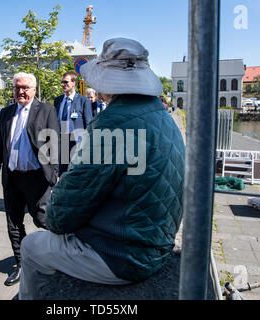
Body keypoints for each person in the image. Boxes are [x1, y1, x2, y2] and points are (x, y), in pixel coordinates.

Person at [17, 38, 186, 299]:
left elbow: (62, 215)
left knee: (31, 246)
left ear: (109, 83)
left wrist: (54, 215)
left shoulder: (113, 122)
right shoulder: (163, 115)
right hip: (159, 246)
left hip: (123, 258)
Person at [0, 72, 59, 287]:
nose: (21, 91)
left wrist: (55, 175)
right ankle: (20, 264)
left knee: (42, 220)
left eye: (26, 87)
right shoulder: (6, 113)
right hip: (12, 178)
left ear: (34, 89)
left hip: (37, 178)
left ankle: (60, 257)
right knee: (13, 223)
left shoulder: (46, 111)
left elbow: (54, 145)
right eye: (18, 87)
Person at [53, 72, 93, 176]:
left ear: (73, 83)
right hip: (62, 140)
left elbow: (88, 123)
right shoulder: (58, 100)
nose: (62, 84)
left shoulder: (83, 101)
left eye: (65, 82)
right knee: (62, 172)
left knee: (77, 173)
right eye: (62, 82)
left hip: (77, 142)